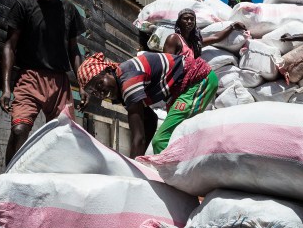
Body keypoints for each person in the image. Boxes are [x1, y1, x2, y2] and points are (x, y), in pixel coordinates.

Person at [0, 0, 87, 165]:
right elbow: (9, 46)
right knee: (19, 129)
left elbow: (74, 50)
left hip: (60, 83)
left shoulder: (69, 10)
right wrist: (5, 87)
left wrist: (82, 83)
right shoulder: (24, 5)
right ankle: (9, 181)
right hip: (30, 79)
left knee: (64, 138)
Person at [77, 51, 217, 158]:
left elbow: (139, 138)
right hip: (183, 89)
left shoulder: (129, 81)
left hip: (198, 81)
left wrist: (131, 174)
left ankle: (178, 187)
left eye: (100, 83)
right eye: (94, 92)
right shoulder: (122, 83)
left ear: (108, 71)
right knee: (175, 139)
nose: (100, 92)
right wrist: (139, 161)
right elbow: (150, 120)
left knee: (161, 141)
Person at [163, 8, 247, 59]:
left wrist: (233, 26)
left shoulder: (194, 44)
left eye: (192, 19)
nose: (189, 21)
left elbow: (215, 38)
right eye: (186, 19)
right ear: (179, 22)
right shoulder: (174, 39)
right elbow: (167, 63)